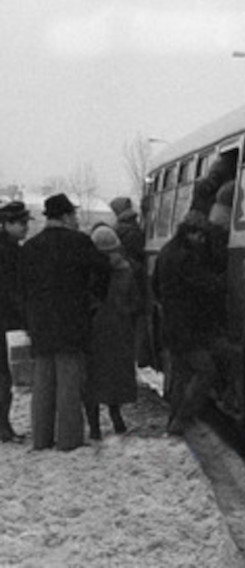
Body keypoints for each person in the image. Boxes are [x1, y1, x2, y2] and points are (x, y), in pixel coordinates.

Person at [21, 193, 110, 451]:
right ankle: (69, 440)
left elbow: (22, 286)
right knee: (69, 382)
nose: (76, 219)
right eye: (74, 215)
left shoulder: (29, 247)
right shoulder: (79, 242)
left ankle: (41, 438)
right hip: (72, 321)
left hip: (39, 322)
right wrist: (96, 297)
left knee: (43, 383)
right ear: (66, 216)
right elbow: (103, 268)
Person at [152, 212, 224, 436]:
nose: (203, 242)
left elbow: (154, 285)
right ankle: (183, 418)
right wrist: (223, 282)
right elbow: (204, 284)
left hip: (172, 324)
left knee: (181, 376)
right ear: (191, 233)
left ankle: (174, 421)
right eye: (201, 237)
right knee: (206, 371)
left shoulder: (166, 252)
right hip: (187, 326)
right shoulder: (185, 257)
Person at [84, 226, 140, 440]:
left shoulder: (89, 271)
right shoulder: (126, 270)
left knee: (92, 378)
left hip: (94, 331)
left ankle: (95, 427)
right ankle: (117, 419)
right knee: (115, 375)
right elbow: (136, 302)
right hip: (120, 330)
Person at [110, 196, 154, 370]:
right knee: (139, 320)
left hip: (126, 283)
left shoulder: (117, 231)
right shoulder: (133, 232)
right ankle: (140, 356)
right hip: (137, 281)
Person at [0, 201, 32, 442]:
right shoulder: (9, 251)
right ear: (7, 223)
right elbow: (13, 290)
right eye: (21, 223)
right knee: (3, 377)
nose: (25, 228)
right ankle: (3, 428)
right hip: (4, 318)